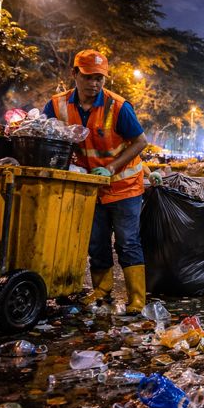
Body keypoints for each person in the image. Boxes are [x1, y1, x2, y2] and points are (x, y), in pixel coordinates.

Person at [44, 49, 148, 314]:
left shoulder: (118, 106)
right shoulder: (57, 106)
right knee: (96, 241)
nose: (95, 84)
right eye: (89, 77)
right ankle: (102, 290)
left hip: (124, 186)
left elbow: (140, 142)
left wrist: (111, 168)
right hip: (90, 188)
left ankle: (137, 298)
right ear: (75, 74)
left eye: (100, 78)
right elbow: (45, 136)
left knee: (127, 241)